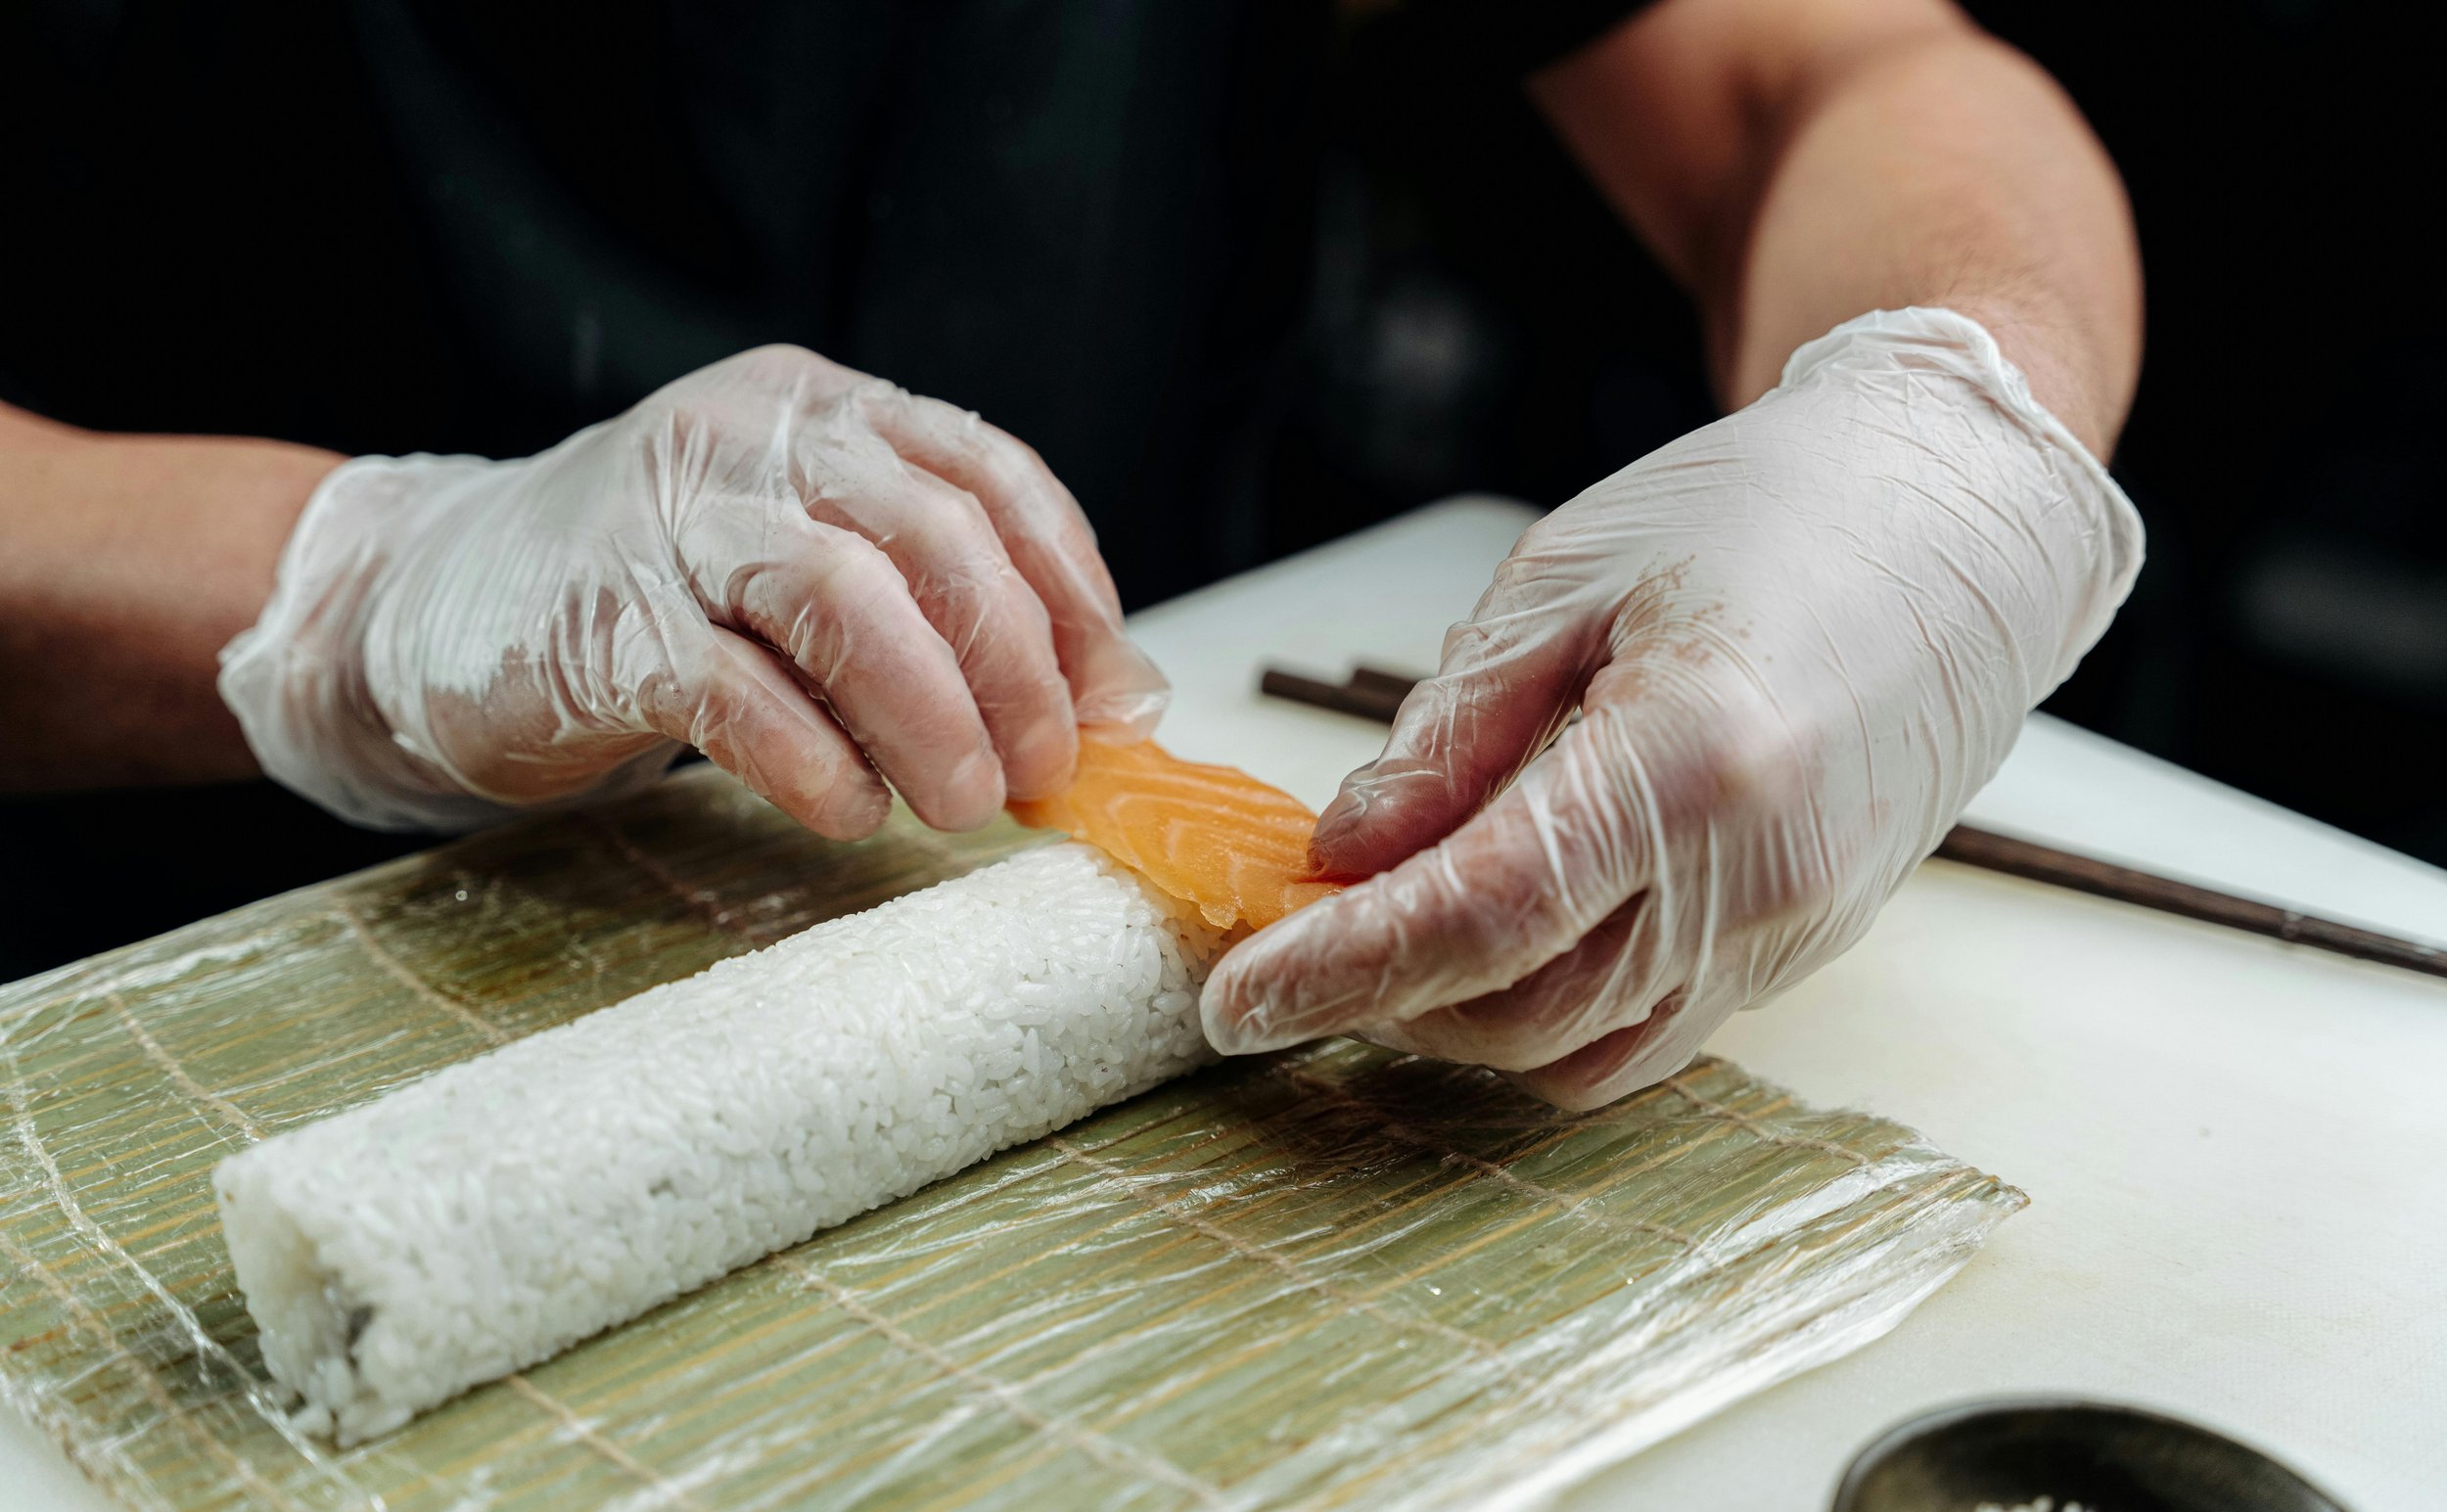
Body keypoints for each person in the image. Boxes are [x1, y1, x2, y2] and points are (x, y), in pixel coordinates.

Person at [0, 0, 2140, 1107]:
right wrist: (352, 590)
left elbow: (1831, 66)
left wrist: (1942, 441)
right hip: (169, 890)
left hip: (1080, 813)